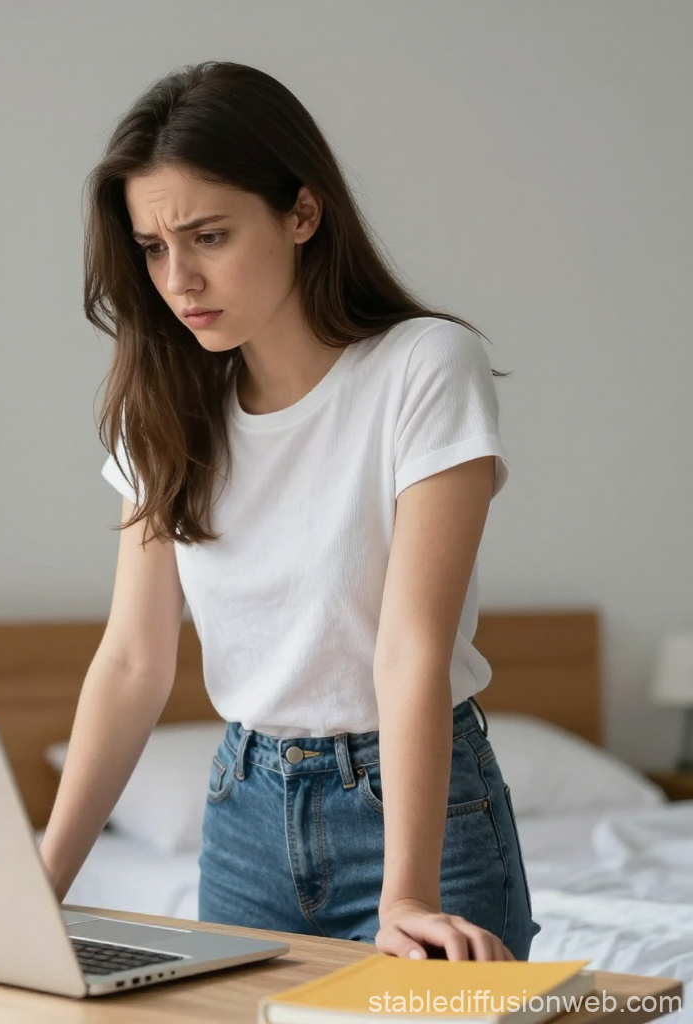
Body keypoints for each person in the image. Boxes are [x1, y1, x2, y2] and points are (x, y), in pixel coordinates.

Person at [39, 60, 540, 962]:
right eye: (154, 248)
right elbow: (131, 661)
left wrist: (406, 897)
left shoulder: (425, 367)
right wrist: (41, 885)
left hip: (416, 810)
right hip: (245, 810)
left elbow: (410, 647)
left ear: (302, 214)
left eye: (208, 236)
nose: (179, 278)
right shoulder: (163, 404)